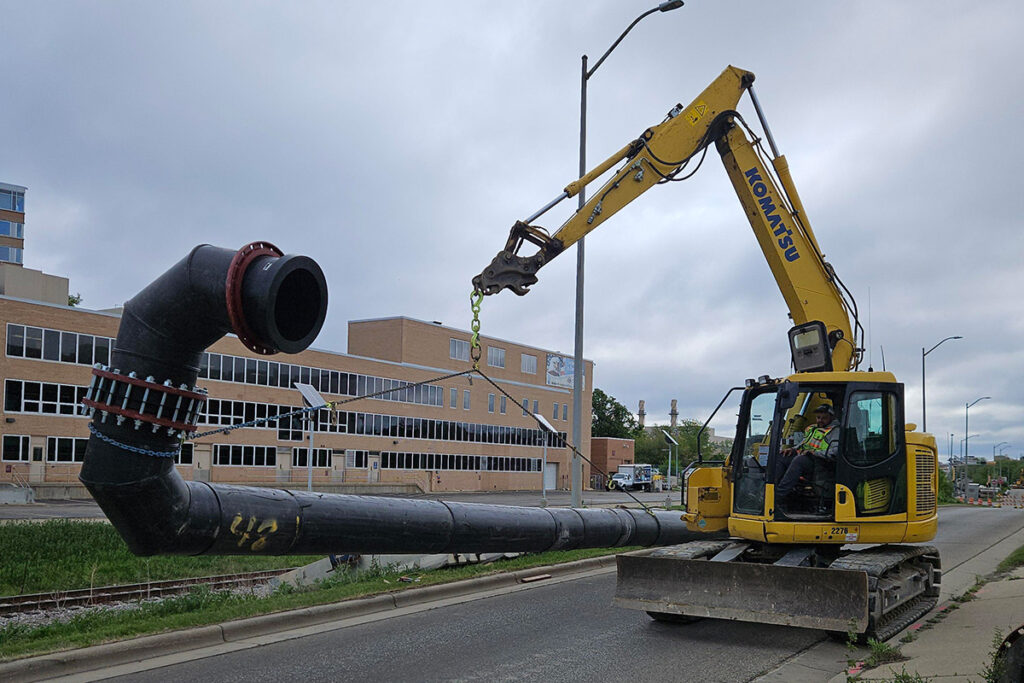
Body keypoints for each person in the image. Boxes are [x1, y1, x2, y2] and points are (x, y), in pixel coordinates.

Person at [776, 403, 840, 504]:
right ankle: (771, 489)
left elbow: (835, 453)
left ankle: (779, 495)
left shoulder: (835, 431)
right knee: (782, 456)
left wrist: (814, 453)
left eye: (824, 418)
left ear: (832, 417)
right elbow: (804, 443)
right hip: (808, 459)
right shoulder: (813, 428)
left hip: (821, 464)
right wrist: (792, 449)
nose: (820, 420)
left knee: (799, 461)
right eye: (818, 417)